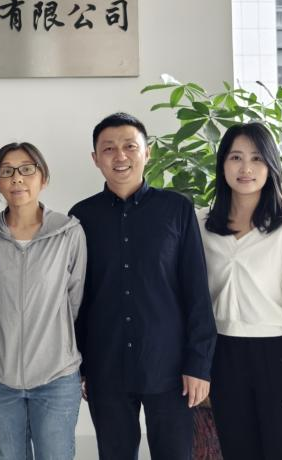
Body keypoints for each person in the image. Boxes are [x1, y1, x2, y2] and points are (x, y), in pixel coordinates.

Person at [69, 112, 217, 460]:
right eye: (108, 148)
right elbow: (77, 299)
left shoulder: (176, 209)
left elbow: (196, 291)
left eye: (130, 146)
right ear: (95, 158)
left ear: (147, 153)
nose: (120, 156)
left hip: (170, 368)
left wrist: (198, 365)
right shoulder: (81, 217)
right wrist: (80, 367)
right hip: (106, 367)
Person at [198, 122, 282, 460]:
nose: (245, 168)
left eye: (257, 158)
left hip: (280, 357)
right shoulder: (201, 225)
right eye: (236, 157)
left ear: (270, 165)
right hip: (224, 357)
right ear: (223, 164)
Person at [0, 142, 86, 459]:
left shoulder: (68, 233)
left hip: (57, 377)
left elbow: (75, 301)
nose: (17, 178)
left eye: (26, 169)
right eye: (7, 171)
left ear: (43, 178)